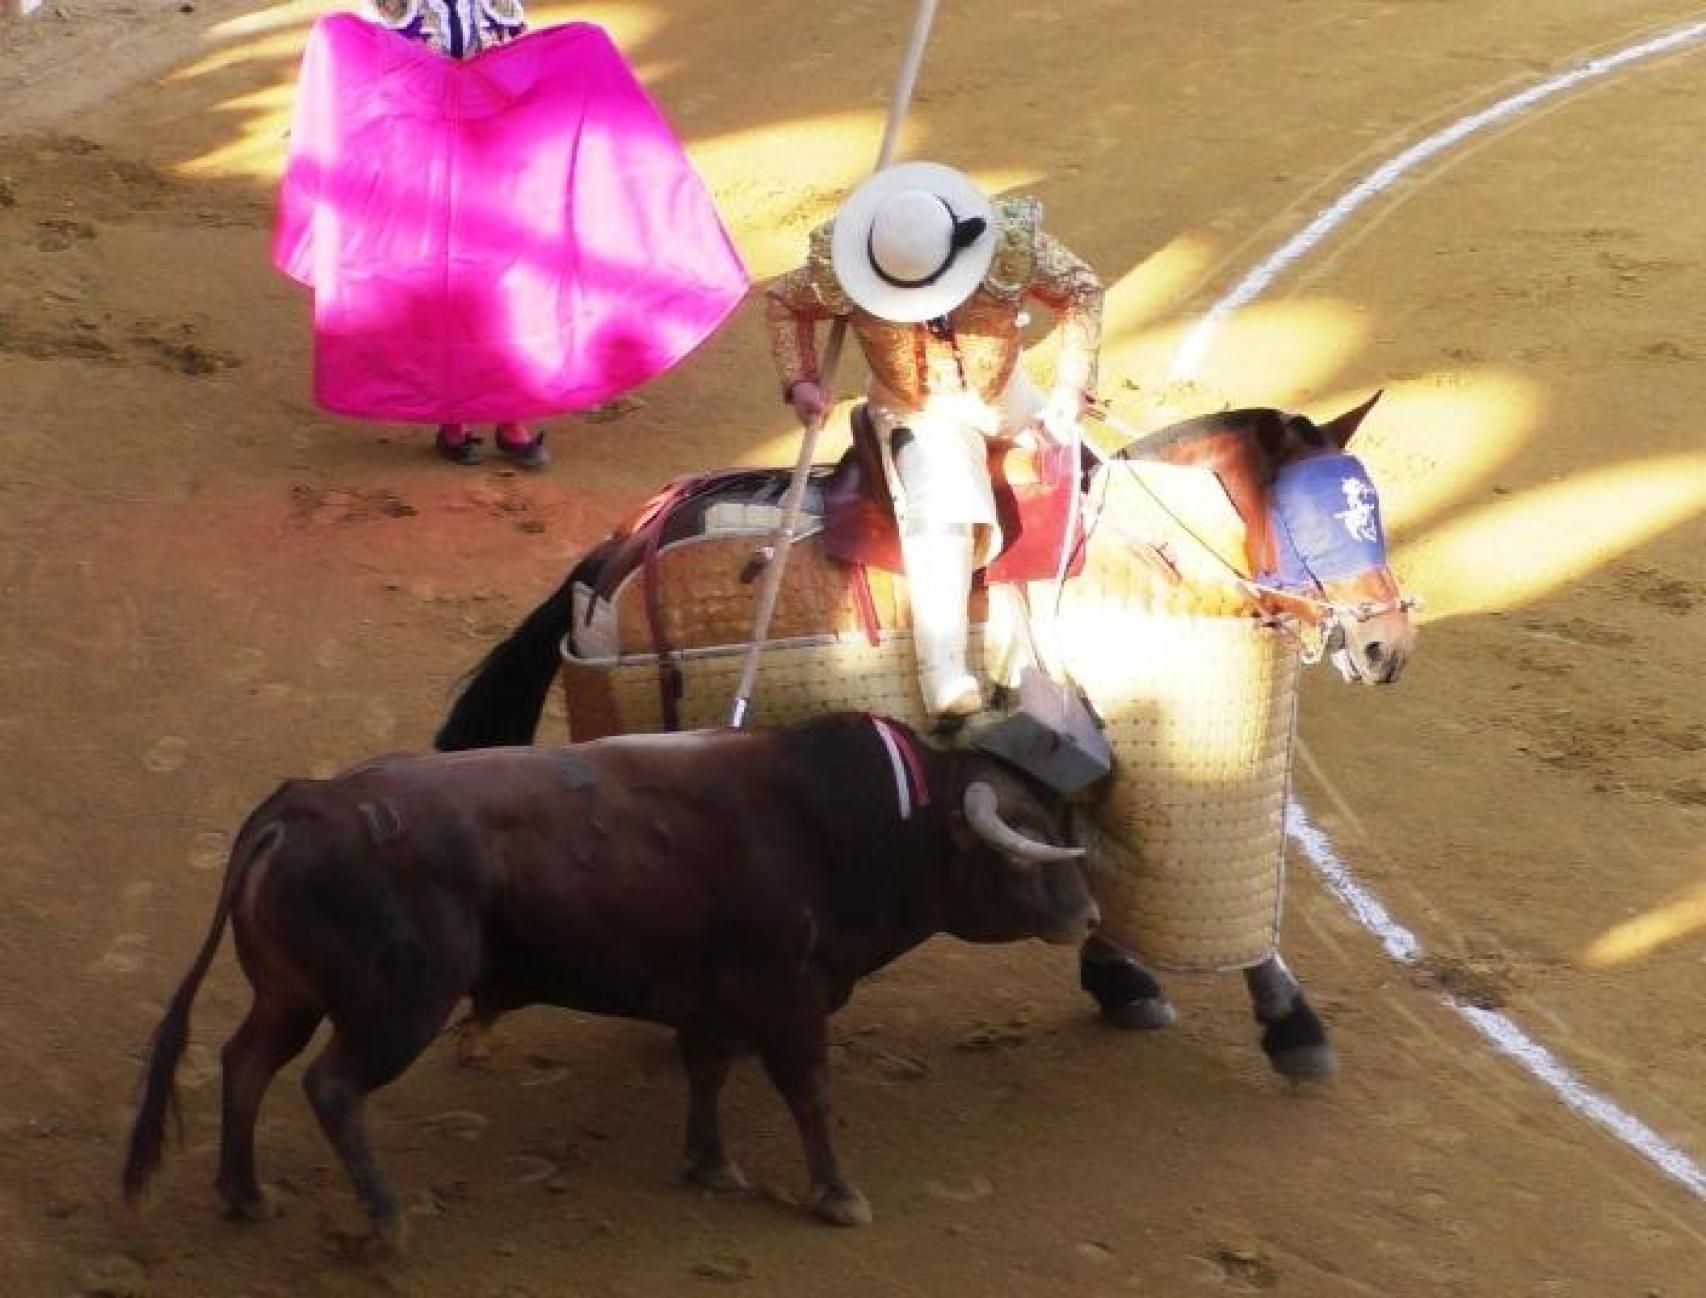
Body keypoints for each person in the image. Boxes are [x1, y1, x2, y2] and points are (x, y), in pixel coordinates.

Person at [764, 161, 1104, 718]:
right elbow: (783, 301)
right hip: (918, 410)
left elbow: (1082, 289)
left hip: (1006, 395)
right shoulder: (842, 267)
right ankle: (942, 672)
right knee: (940, 517)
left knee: (1089, 475)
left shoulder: (1008, 245)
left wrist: (1071, 385)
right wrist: (800, 380)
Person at [368, 0, 545, 467]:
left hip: (493, 153)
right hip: (429, 160)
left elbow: (522, 62)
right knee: (447, 288)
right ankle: (453, 420)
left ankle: (509, 418)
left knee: (504, 287)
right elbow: (383, 75)